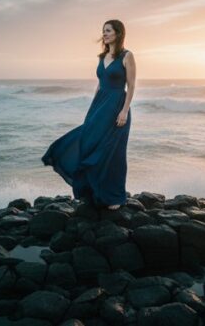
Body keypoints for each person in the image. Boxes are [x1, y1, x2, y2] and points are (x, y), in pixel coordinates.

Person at [42, 19, 136, 210]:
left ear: (118, 33)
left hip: (118, 107)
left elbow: (132, 85)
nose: (105, 34)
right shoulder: (102, 57)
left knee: (114, 152)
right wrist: (92, 110)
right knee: (89, 143)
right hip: (99, 107)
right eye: (103, 31)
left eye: (108, 30)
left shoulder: (127, 56)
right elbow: (100, 85)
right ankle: (93, 192)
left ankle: (114, 197)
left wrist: (124, 111)